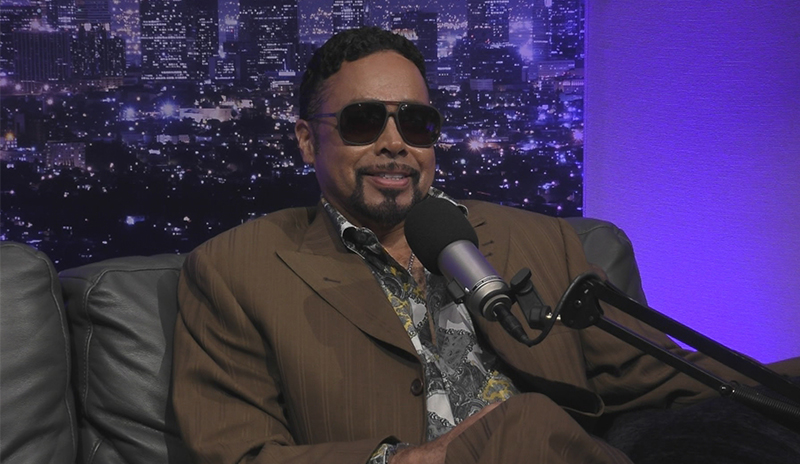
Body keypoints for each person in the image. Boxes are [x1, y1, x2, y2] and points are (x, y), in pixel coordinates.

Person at [171, 27, 799, 464]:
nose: (395, 142)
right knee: (523, 422)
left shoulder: (542, 240)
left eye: (415, 122)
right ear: (308, 140)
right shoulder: (234, 271)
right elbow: (234, 453)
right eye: (364, 121)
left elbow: (667, 377)